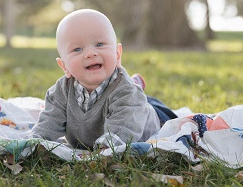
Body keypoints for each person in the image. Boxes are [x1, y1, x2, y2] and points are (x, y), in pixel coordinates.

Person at [31, 9, 175, 150]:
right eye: (77, 49)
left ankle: (136, 84)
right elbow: (48, 123)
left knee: (138, 99)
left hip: (149, 117)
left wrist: (106, 148)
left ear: (117, 55)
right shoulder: (59, 92)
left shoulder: (128, 93)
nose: (91, 53)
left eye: (99, 44)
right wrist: (35, 144)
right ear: (64, 66)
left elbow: (123, 128)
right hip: (122, 98)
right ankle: (135, 80)